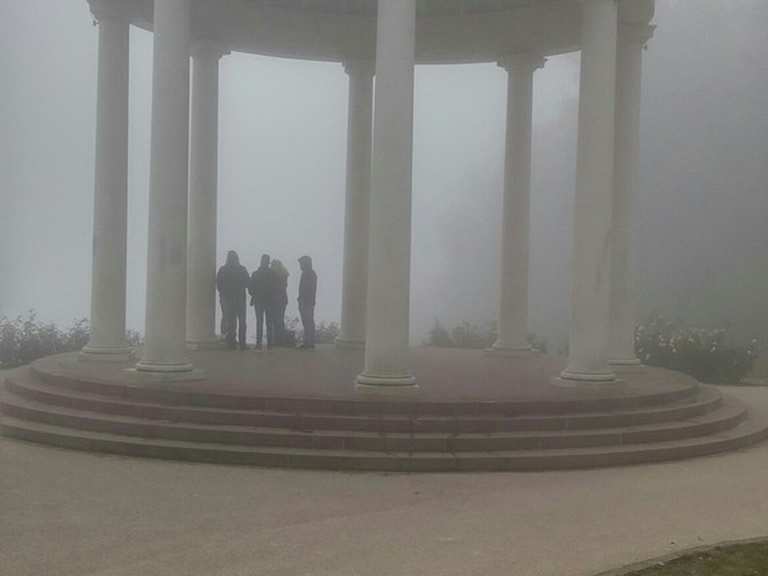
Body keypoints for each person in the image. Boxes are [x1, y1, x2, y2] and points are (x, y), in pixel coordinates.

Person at [216, 250, 249, 350]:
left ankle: (231, 343)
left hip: (228, 299)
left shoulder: (223, 270)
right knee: (242, 321)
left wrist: (224, 294)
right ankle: (242, 343)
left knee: (231, 321)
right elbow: (248, 283)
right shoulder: (242, 269)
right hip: (240, 299)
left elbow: (219, 284)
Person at [249, 254, 276, 349]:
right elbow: (276, 288)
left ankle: (259, 344)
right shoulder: (272, 274)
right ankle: (270, 344)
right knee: (269, 322)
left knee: (259, 322)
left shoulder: (256, 273)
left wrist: (254, 294)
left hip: (258, 300)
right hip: (269, 301)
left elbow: (250, 287)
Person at [297, 255, 317, 349]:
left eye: (301, 263)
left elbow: (307, 289)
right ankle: (308, 342)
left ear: (306, 263)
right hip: (306, 301)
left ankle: (309, 342)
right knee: (307, 322)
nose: (300, 265)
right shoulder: (309, 273)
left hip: (306, 301)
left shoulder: (309, 274)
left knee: (308, 322)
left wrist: (302, 299)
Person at [270, 259, 289, 346]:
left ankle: (278, 340)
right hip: (282, 300)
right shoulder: (284, 274)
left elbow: (275, 288)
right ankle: (280, 340)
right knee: (279, 320)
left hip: (276, 300)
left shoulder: (276, 275)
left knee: (276, 320)